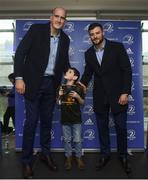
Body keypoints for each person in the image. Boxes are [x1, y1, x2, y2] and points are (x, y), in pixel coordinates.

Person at [14, 7, 70, 179]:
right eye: (56, 16)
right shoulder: (36, 30)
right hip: (33, 84)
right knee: (31, 123)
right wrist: (19, 78)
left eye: (62, 18)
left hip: (51, 85)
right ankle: (26, 162)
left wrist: (71, 78)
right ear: (51, 17)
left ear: (65, 21)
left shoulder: (66, 39)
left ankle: (46, 154)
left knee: (47, 123)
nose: (59, 20)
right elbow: (21, 53)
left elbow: (64, 63)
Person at [80, 23, 132, 173]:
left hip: (118, 95)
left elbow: (127, 71)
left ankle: (123, 156)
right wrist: (80, 84)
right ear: (89, 36)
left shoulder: (117, 47)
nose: (95, 36)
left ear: (102, 33)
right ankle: (105, 154)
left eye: (97, 33)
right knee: (102, 129)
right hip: (100, 96)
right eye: (92, 34)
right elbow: (88, 73)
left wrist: (125, 92)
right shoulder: (88, 53)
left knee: (121, 128)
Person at [57, 67, 85, 170]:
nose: (66, 72)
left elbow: (82, 103)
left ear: (75, 77)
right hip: (65, 119)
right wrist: (59, 96)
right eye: (67, 71)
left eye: (70, 72)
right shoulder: (61, 87)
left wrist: (77, 96)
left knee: (77, 140)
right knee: (67, 140)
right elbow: (58, 104)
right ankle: (68, 158)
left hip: (76, 119)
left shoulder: (79, 88)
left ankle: (78, 158)